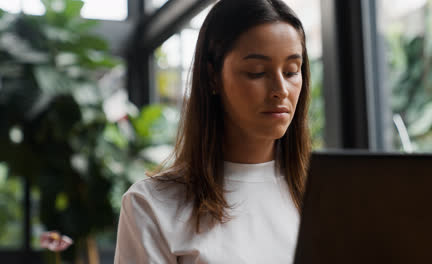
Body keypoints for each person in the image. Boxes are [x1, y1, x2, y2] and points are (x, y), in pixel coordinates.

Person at [114, 0, 311, 263]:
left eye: (291, 71)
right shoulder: (151, 205)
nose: (281, 89)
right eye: (257, 72)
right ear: (212, 77)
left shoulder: (328, 196)